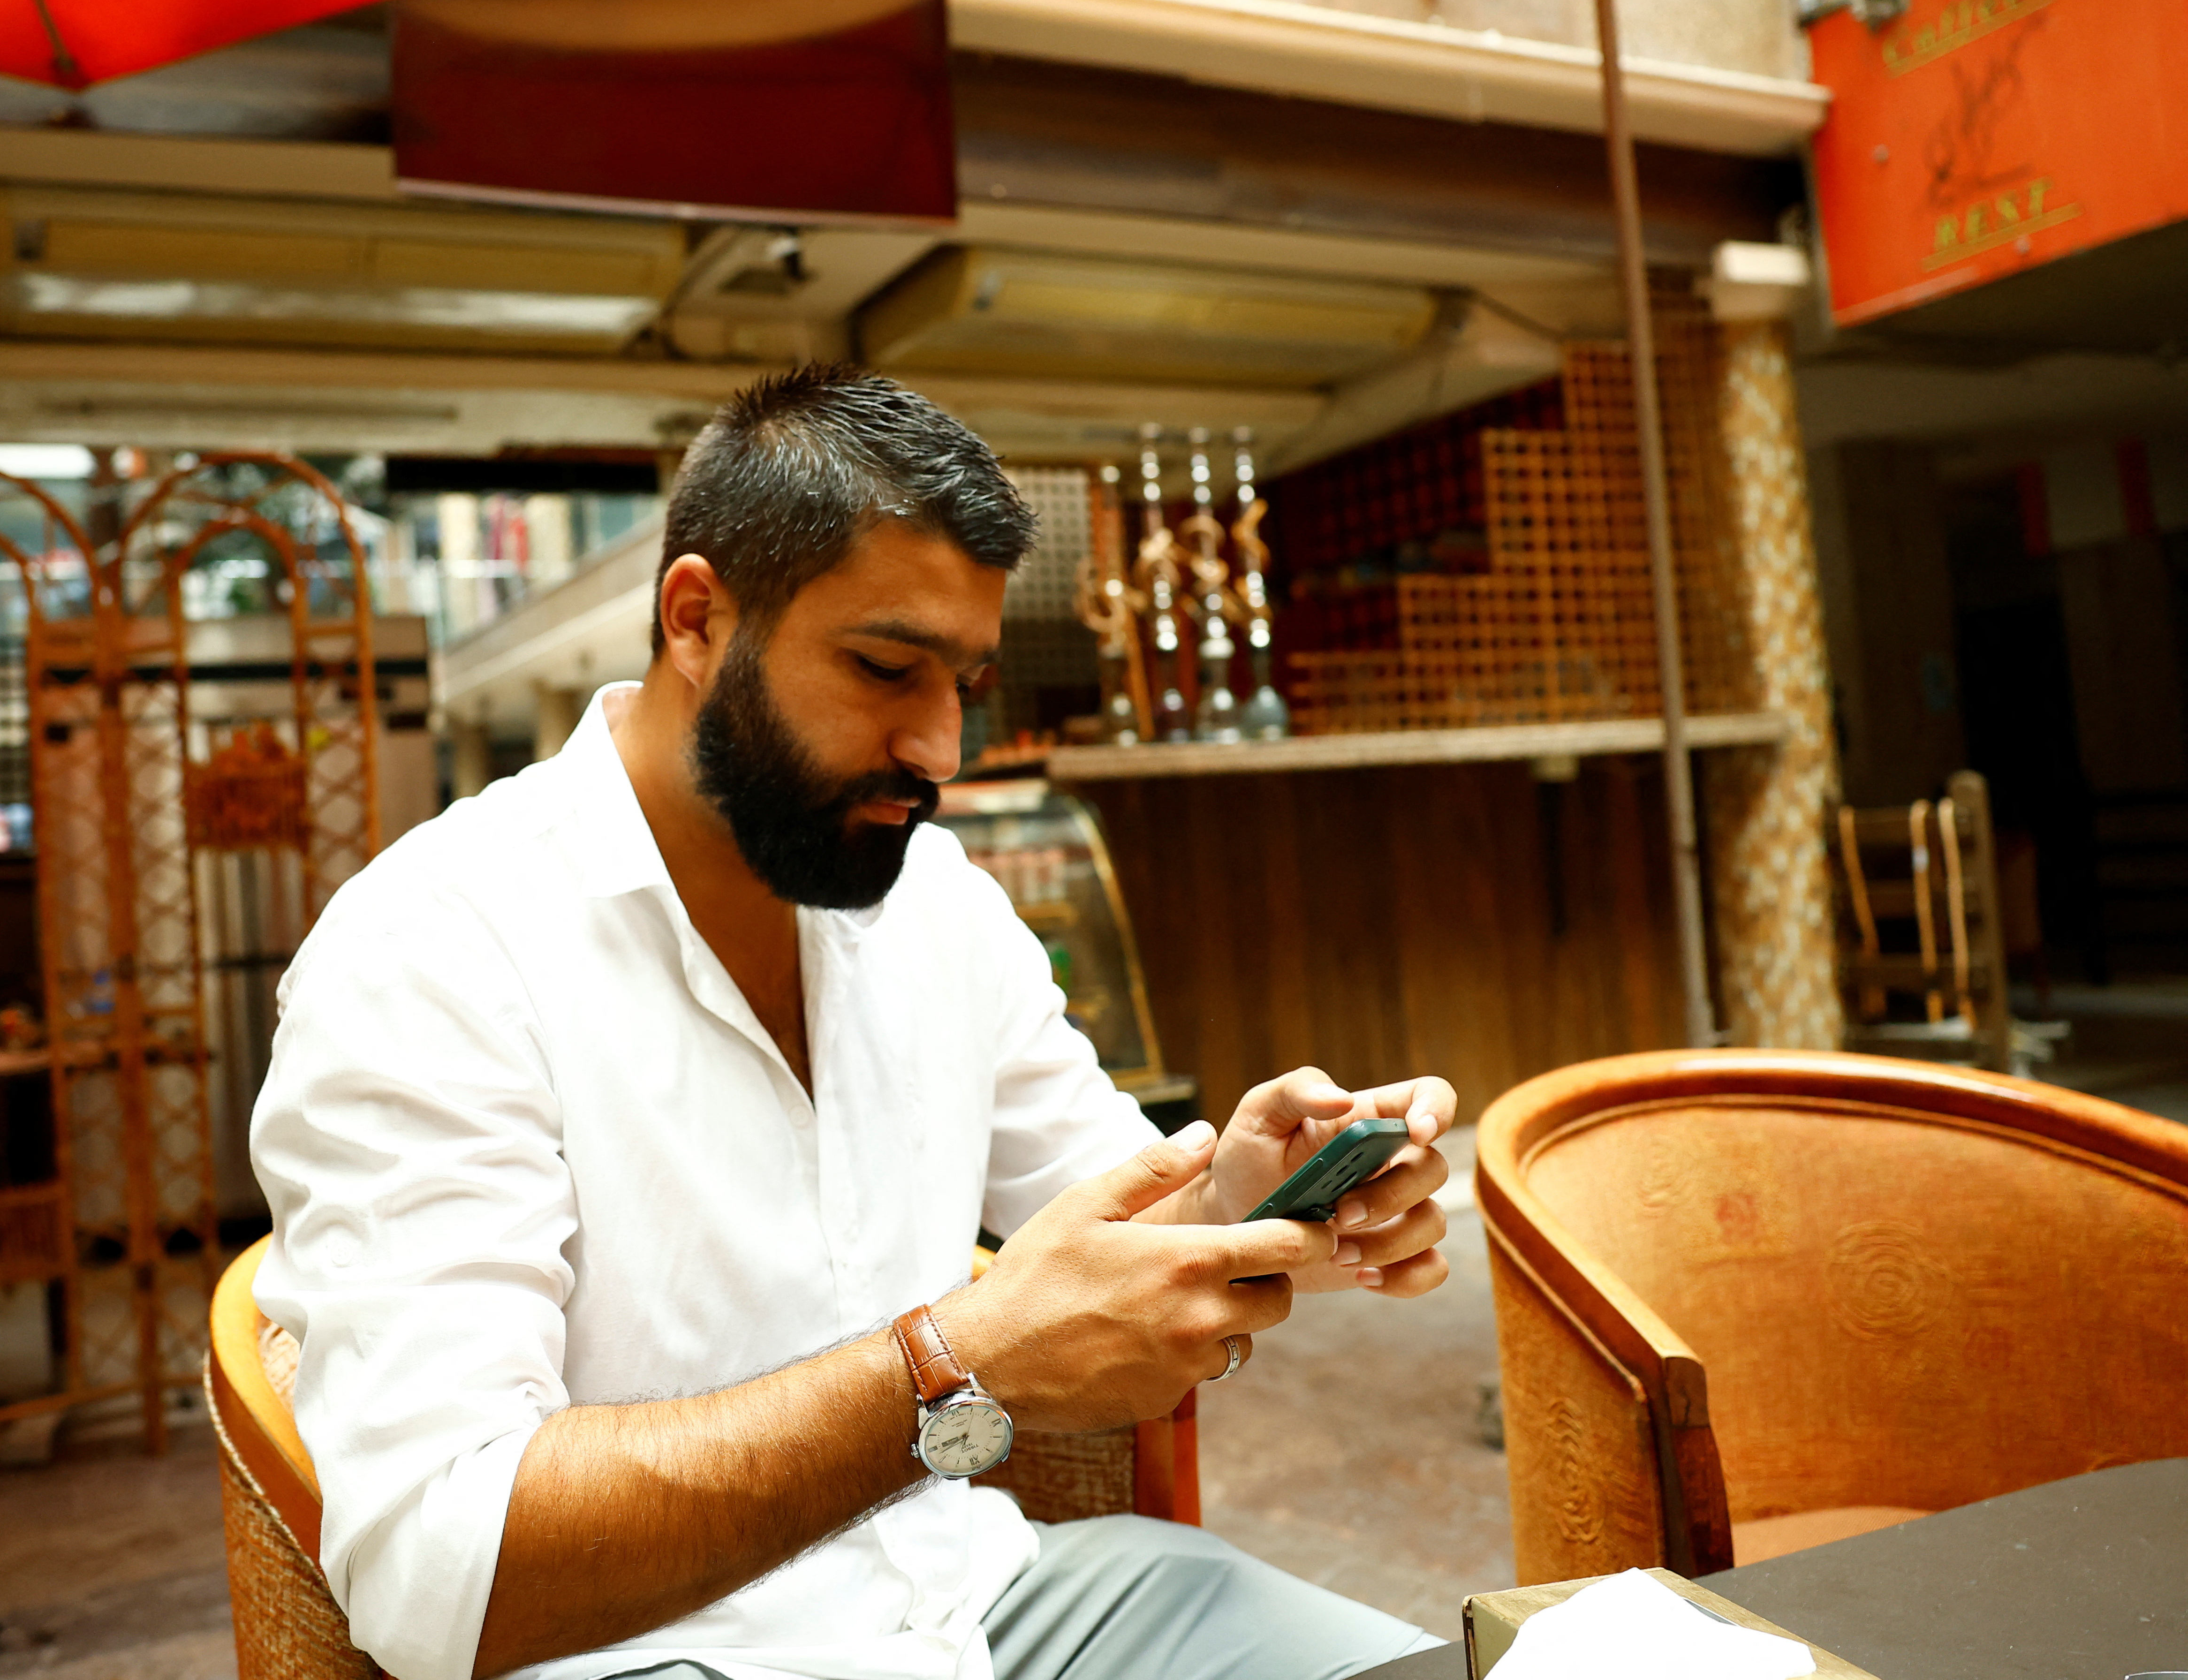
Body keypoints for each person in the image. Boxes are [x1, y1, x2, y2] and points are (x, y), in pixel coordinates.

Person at [253, 366, 1456, 1680]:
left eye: (967, 682)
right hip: (650, 1656)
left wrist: (1248, 1189)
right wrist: (950, 1368)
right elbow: (447, 1571)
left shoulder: (934, 905)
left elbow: (1106, 1223)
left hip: (987, 1604)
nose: (942, 747)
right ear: (698, 619)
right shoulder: (430, 952)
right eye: (886, 668)